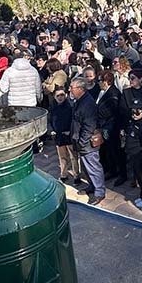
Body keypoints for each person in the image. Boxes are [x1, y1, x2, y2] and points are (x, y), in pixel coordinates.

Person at [70, 77, 105, 205]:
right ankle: (92, 186)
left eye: (72, 87)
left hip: (87, 142)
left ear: (80, 89)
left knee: (93, 166)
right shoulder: (79, 100)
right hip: (80, 140)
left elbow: (89, 126)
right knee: (85, 166)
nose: (70, 90)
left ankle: (99, 192)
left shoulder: (87, 104)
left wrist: (82, 142)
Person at [48, 88, 76, 182]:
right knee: (62, 156)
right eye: (58, 96)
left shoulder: (70, 106)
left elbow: (74, 121)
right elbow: (50, 120)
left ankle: (76, 175)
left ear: (66, 95)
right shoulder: (52, 107)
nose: (60, 97)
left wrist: (70, 131)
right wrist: (52, 130)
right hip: (59, 135)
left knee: (73, 156)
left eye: (62, 95)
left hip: (68, 134)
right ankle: (64, 174)